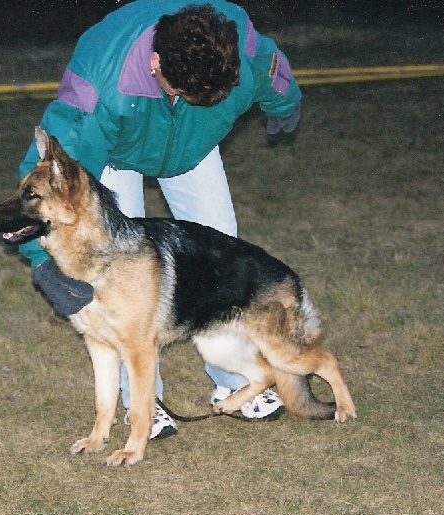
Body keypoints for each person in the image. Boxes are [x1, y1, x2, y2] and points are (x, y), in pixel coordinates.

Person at [17, 0, 302, 439]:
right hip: (115, 150)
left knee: (221, 259)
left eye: (197, 97)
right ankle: (143, 407)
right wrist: (41, 258)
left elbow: (270, 65)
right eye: (178, 91)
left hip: (191, 144)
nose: (182, 99)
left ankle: (235, 380)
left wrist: (285, 100)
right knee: (118, 276)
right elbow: (49, 173)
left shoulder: (237, 48)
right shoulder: (102, 81)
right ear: (154, 61)